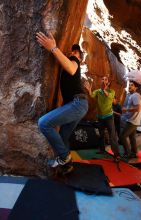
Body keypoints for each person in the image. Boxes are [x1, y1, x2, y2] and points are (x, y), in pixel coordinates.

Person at [36, 32, 88, 170]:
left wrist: (53, 48)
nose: (72, 52)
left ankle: (65, 157)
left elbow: (71, 68)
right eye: (72, 50)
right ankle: (67, 166)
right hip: (77, 104)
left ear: (79, 56)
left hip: (77, 104)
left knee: (43, 123)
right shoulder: (73, 66)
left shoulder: (75, 61)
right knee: (64, 136)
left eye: (75, 52)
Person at [84, 76, 120, 161]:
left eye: (106, 79)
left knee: (112, 136)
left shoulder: (112, 92)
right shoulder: (98, 91)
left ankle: (116, 154)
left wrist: (105, 89)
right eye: (102, 79)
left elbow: (107, 96)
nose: (104, 81)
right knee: (101, 134)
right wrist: (89, 89)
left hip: (109, 117)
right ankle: (102, 150)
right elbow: (91, 95)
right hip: (100, 117)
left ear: (108, 82)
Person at [120, 81, 141, 158]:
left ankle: (127, 153)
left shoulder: (135, 95)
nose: (129, 86)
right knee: (132, 137)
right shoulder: (133, 95)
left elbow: (138, 108)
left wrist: (126, 110)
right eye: (129, 85)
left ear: (136, 87)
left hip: (132, 121)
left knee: (122, 136)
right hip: (133, 120)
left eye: (131, 85)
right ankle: (134, 153)